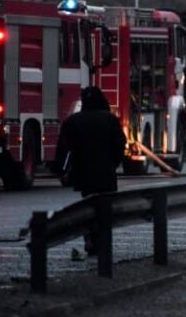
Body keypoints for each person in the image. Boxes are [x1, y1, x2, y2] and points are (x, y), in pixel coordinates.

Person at [54, 86, 127, 255]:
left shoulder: (73, 121)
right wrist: (113, 163)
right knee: (104, 211)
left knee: (88, 208)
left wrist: (63, 171)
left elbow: (64, 150)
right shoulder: (110, 120)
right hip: (106, 175)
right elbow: (119, 146)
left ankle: (90, 239)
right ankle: (102, 243)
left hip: (84, 174)